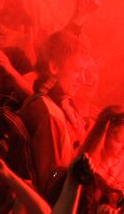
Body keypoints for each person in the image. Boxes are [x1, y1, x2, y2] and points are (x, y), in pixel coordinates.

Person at [18, 30, 91, 195]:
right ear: (54, 67)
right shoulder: (48, 112)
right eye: (77, 71)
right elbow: (49, 180)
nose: (83, 80)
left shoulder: (64, 106)